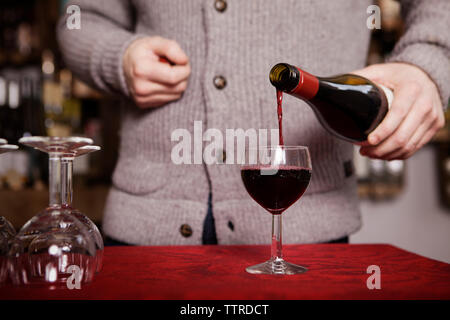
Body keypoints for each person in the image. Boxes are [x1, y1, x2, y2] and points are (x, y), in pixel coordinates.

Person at [57, 0, 449, 246]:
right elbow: (80, 17)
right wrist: (117, 57)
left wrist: (428, 65)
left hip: (310, 224)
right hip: (145, 221)